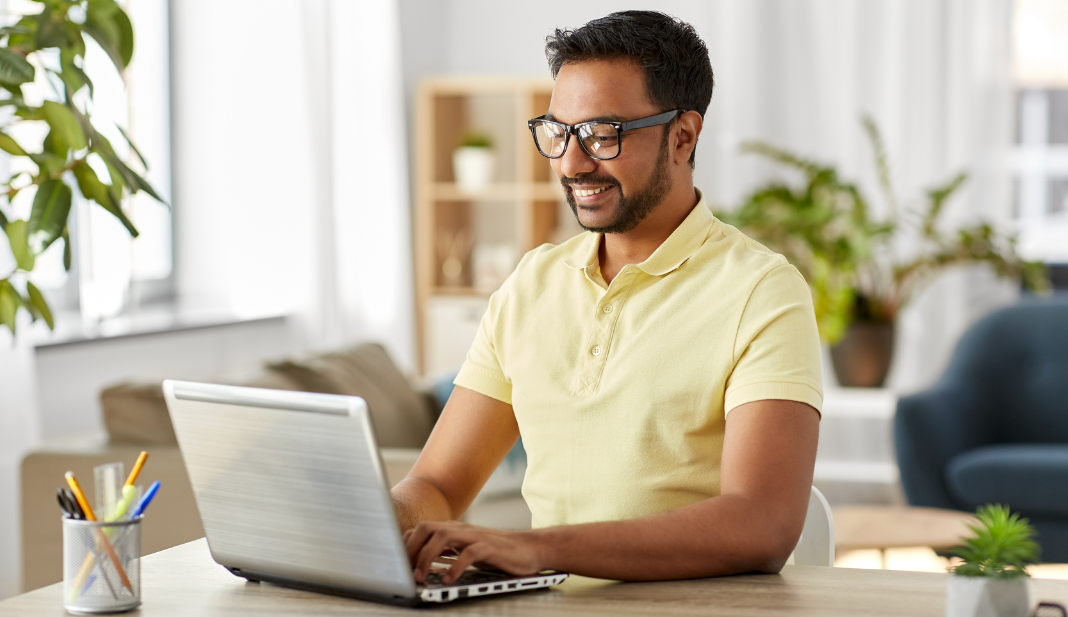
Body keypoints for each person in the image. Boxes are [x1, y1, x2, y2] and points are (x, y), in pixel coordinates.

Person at [392, 10, 823, 583]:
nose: (571, 163)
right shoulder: (531, 284)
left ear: (684, 136)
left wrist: (540, 549)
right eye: (560, 132)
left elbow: (762, 523)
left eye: (602, 134)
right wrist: (371, 522)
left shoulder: (763, 292)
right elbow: (440, 485)